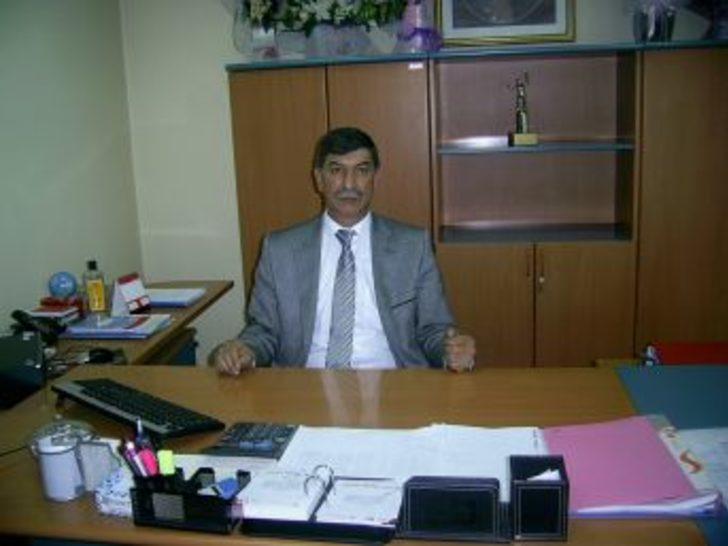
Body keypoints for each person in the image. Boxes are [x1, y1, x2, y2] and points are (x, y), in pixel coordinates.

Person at [214, 127, 476, 374]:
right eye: (336, 170)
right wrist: (246, 350)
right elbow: (263, 331)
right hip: (305, 384)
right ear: (319, 179)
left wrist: (450, 350)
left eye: (361, 170)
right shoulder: (279, 250)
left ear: (374, 178)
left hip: (393, 382)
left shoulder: (413, 246)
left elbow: (433, 330)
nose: (349, 183)